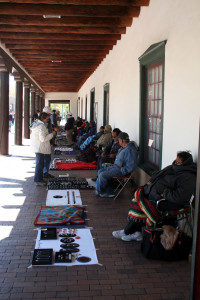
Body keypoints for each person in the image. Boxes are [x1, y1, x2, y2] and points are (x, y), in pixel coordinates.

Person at [112, 151, 197, 242]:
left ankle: (128, 231)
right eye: (175, 160)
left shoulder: (188, 177)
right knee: (138, 198)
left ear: (185, 163)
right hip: (155, 194)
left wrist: (164, 192)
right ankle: (136, 232)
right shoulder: (173, 168)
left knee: (143, 203)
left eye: (178, 161)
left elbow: (179, 197)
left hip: (168, 201)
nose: (175, 163)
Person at [96, 132, 138, 197]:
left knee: (102, 175)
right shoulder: (124, 147)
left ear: (121, 140)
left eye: (119, 140)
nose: (118, 141)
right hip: (116, 167)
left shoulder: (130, 150)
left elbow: (131, 166)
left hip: (121, 170)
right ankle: (109, 191)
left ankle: (103, 192)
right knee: (100, 171)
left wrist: (122, 169)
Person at [30, 112, 57, 186]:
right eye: (47, 119)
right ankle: (38, 180)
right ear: (43, 119)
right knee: (39, 164)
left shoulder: (38, 124)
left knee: (40, 163)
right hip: (40, 147)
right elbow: (43, 139)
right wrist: (52, 134)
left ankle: (40, 178)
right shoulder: (41, 126)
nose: (48, 120)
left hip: (39, 147)